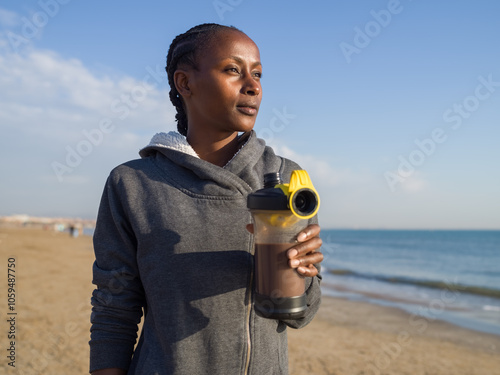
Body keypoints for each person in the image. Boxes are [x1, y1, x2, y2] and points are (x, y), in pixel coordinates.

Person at [89, 23, 323, 375]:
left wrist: (299, 272)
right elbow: (114, 305)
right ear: (185, 83)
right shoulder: (134, 183)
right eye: (233, 70)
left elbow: (302, 315)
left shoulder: (289, 180)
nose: (253, 85)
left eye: (258, 73)